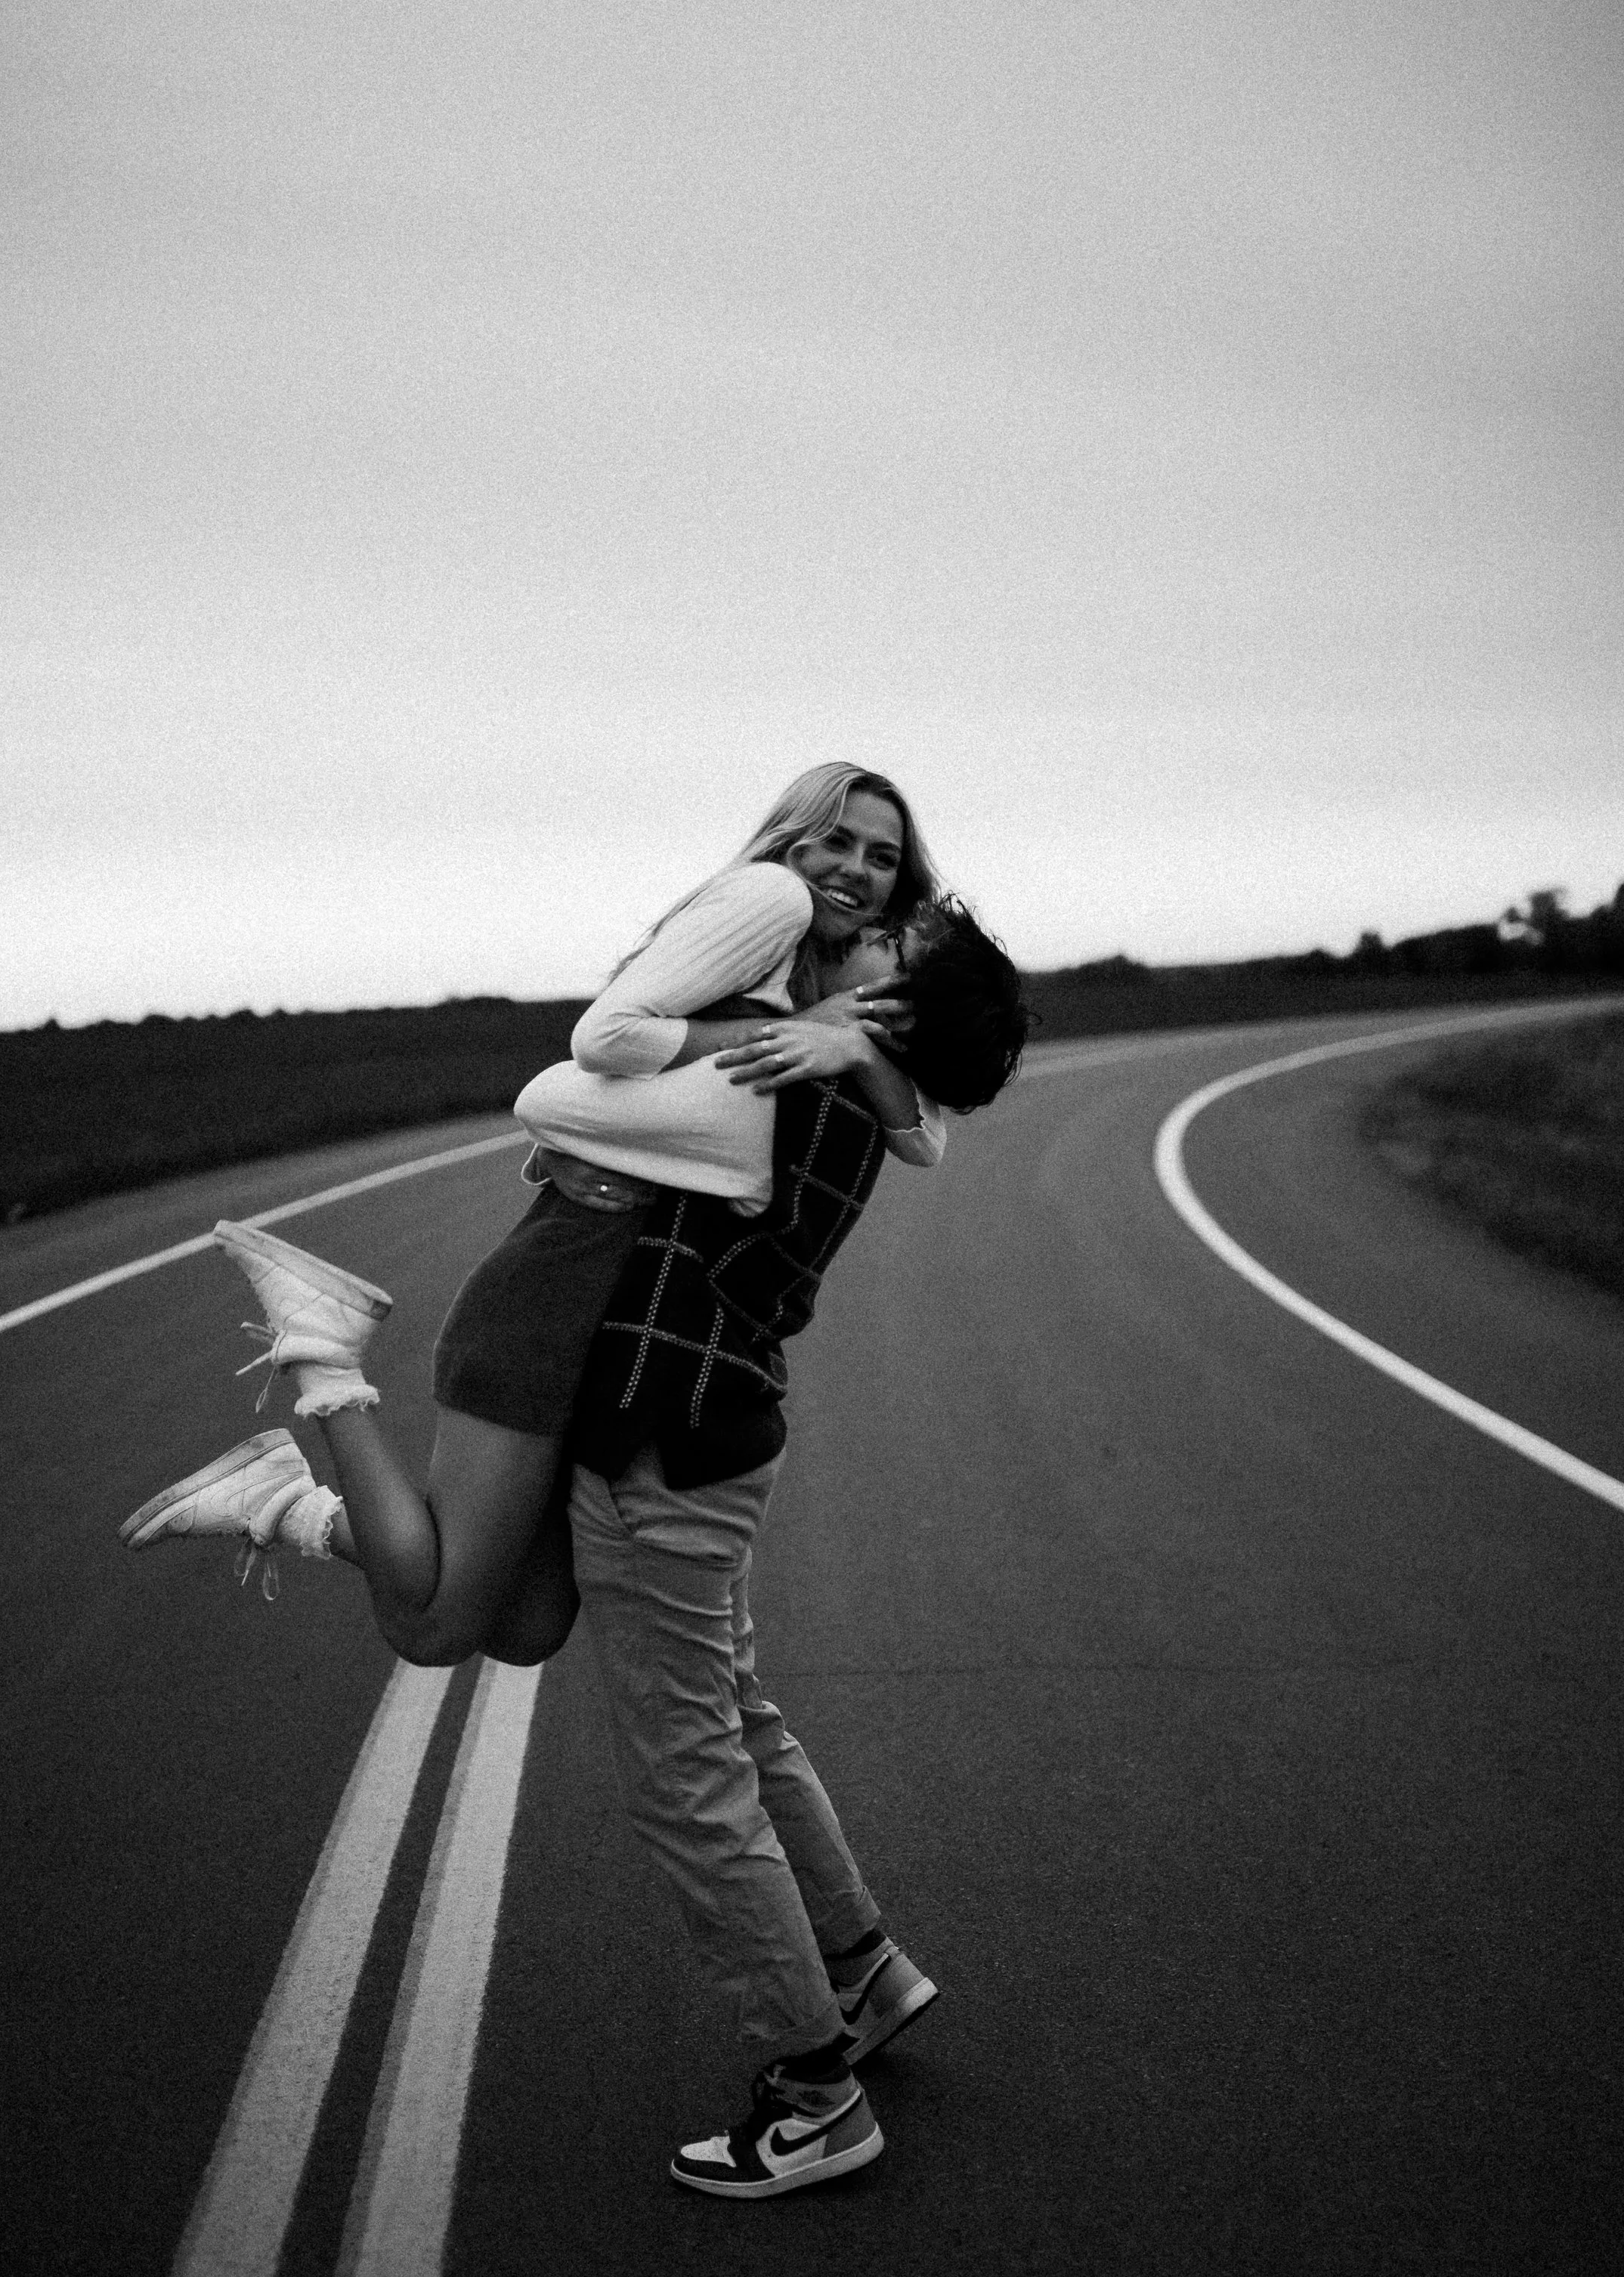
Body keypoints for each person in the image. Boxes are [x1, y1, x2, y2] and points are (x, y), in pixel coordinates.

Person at [122, 764, 1029, 2198]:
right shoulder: (861, 1079)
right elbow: (912, 1107)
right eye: (843, 861)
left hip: (666, 1430)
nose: (861, 898)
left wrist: (796, 1039)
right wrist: (831, 1034)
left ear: (897, 996)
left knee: (686, 1777)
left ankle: (814, 2089)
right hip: (693, 1421)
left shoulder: (797, 1080)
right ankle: (860, 1970)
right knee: (648, 1679)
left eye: (888, 900)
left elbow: (573, 1087)